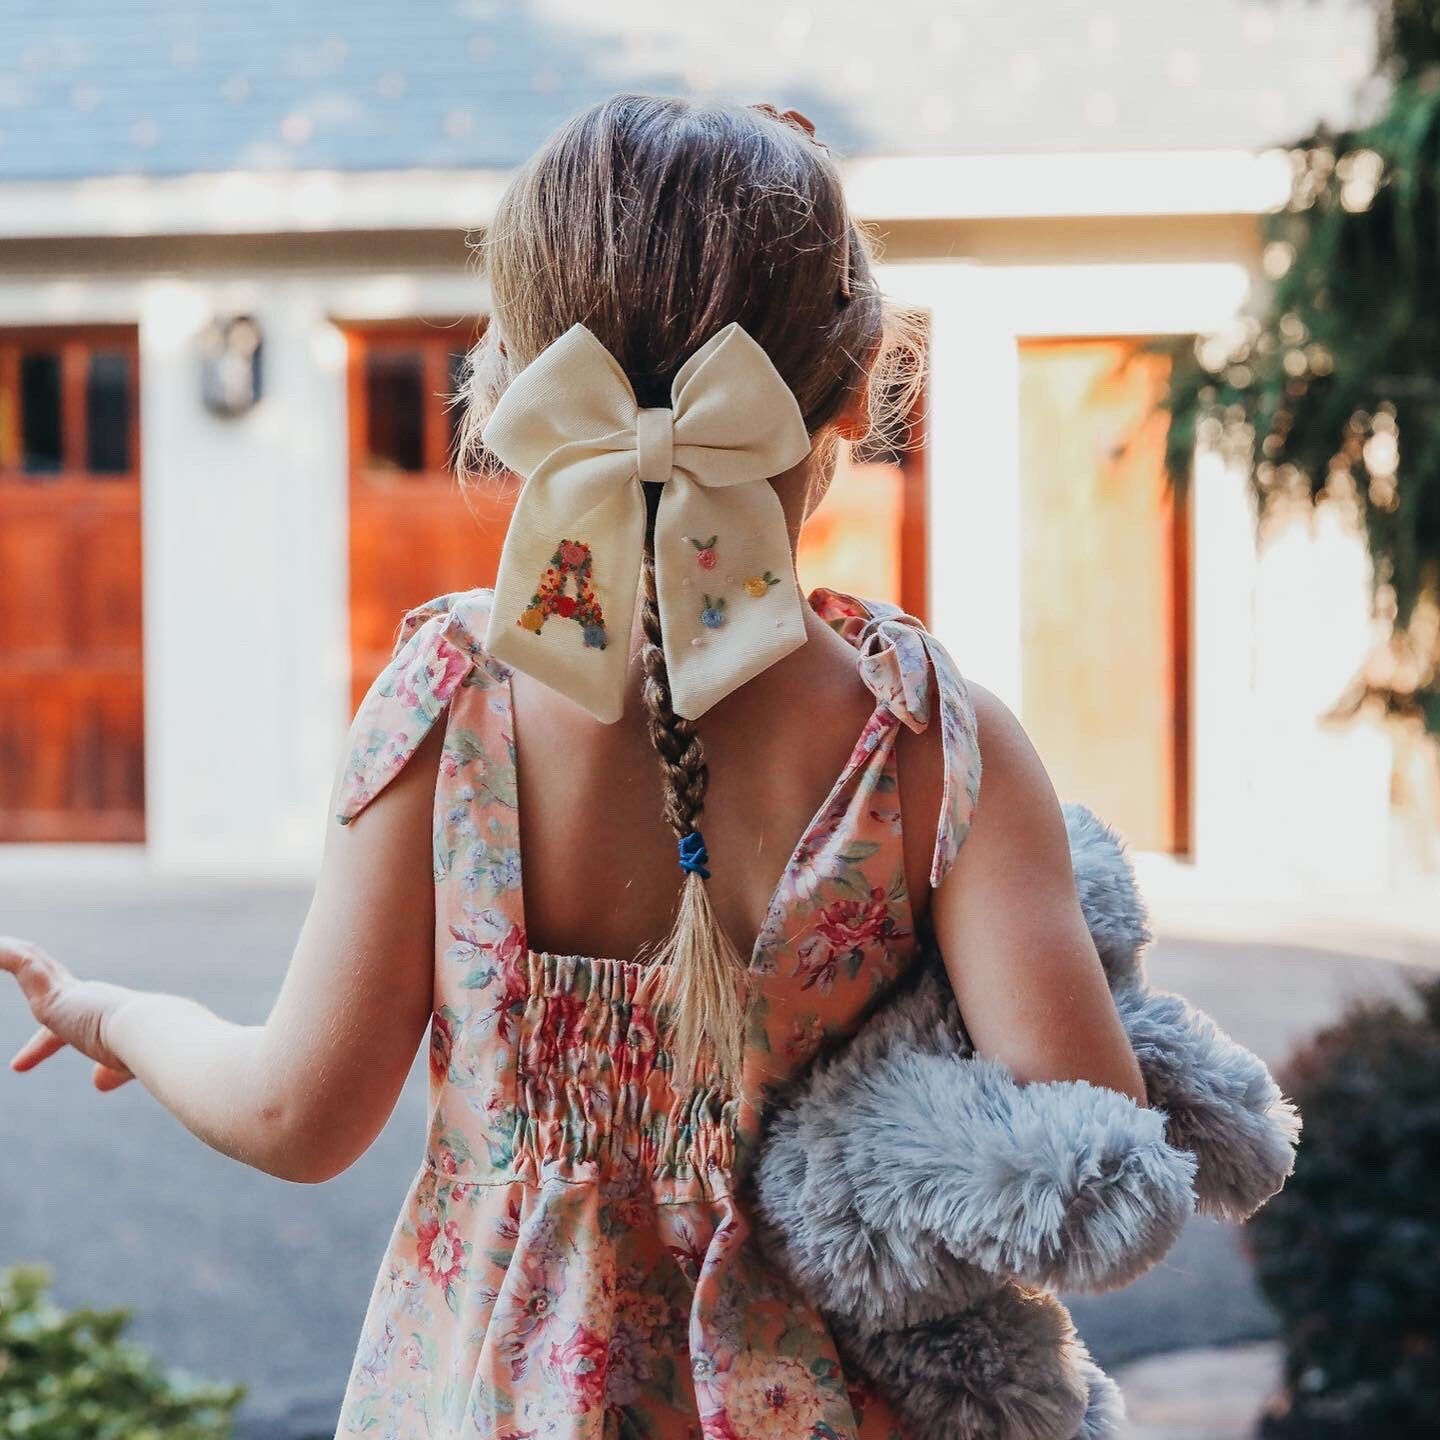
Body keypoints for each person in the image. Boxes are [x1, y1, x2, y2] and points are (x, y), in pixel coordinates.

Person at [0, 93, 1147, 1439]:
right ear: (854, 384)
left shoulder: (450, 699)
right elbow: (1085, 1158)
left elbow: (293, 1114)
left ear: (517, 383)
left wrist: (112, 1014)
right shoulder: (932, 736)